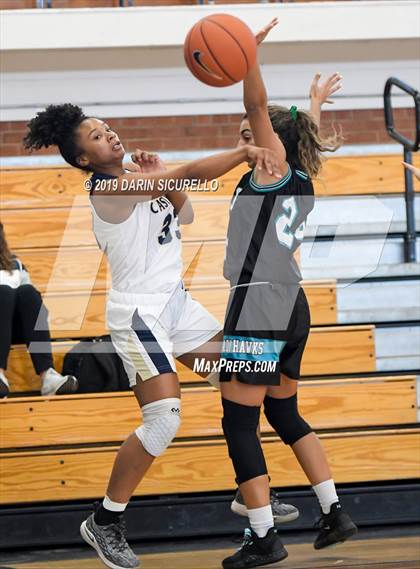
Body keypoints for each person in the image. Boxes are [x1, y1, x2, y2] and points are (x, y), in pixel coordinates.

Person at [23, 104, 282, 569]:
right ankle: (104, 520)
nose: (111, 136)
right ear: (83, 159)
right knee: (164, 419)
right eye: (97, 137)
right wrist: (242, 152)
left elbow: (185, 217)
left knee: (253, 372)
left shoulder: (138, 176)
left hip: (176, 305)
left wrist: (164, 177)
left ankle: (250, 491)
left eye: (108, 128)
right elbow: (191, 173)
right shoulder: (108, 190)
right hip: (139, 315)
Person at [219, 19, 357, 569]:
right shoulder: (296, 171)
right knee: (285, 414)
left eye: (249, 132)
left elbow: (258, 104)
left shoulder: (270, 168)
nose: (242, 136)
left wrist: (248, 53)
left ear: (269, 142)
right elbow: (297, 128)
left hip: (258, 301)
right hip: (290, 303)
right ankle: (333, 511)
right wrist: (313, 105)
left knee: (238, 423)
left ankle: (262, 534)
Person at [0, 222, 78, 397]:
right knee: (4, 292)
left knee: (28, 292)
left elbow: (32, 305)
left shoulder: (14, 264)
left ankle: (47, 375)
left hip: (13, 328)